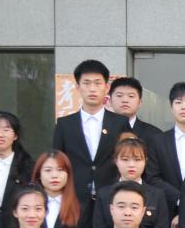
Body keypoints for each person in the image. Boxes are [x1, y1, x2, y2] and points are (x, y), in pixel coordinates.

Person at [51, 59, 128, 206]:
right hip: (74, 198)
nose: (92, 89)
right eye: (86, 83)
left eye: (98, 83)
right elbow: (58, 160)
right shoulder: (64, 124)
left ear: (106, 87)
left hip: (112, 197)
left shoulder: (120, 123)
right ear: (77, 87)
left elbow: (127, 157)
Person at [93, 132, 170, 228]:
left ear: (145, 161)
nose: (131, 165)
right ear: (116, 160)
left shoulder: (157, 195)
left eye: (137, 159)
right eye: (125, 159)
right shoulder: (104, 194)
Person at [146, 81, 185, 219]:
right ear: (171, 107)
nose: (184, 107)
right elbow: (152, 177)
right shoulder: (158, 141)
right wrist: (179, 198)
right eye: (178, 102)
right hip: (166, 212)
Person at [109, 77, 164, 145]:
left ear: (139, 103)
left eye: (131, 96)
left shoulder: (155, 134)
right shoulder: (100, 129)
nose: (125, 100)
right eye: (119, 95)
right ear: (110, 101)